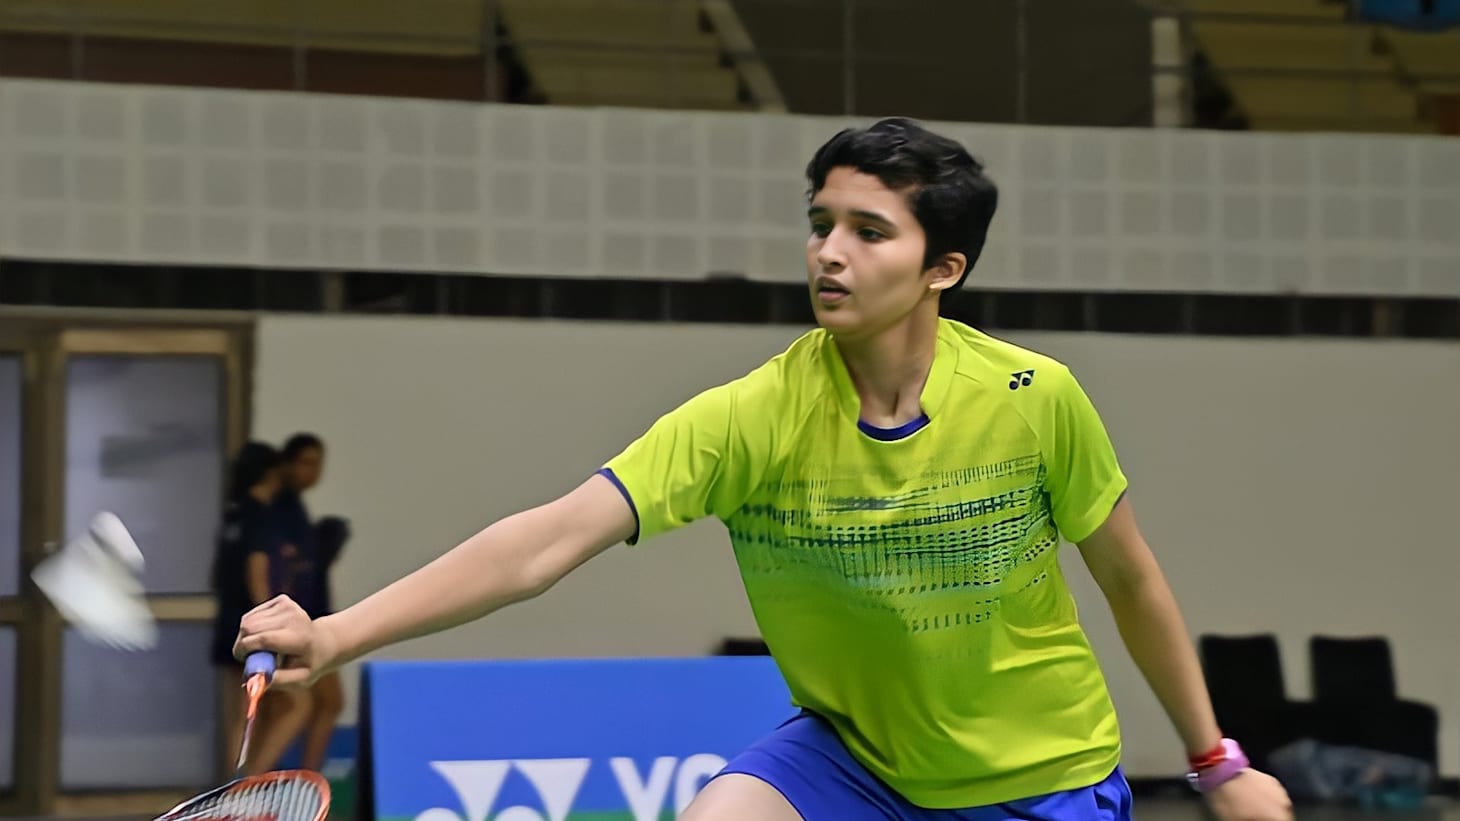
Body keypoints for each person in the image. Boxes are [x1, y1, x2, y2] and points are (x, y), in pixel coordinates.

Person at [235, 118, 1294, 821]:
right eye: (821, 224)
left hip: (1037, 777)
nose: (829, 251)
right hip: (853, 759)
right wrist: (336, 635)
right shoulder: (754, 417)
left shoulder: (1033, 398)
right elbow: (545, 541)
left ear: (943, 267)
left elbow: (1130, 579)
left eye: (869, 232)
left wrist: (1215, 760)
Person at [245, 432, 346, 775]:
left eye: (318, 464)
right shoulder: (277, 511)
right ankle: (279, 783)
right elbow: (272, 570)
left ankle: (293, 781)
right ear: (285, 464)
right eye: (305, 462)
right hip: (296, 623)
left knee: (306, 705)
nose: (313, 471)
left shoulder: (295, 509)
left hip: (307, 617)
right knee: (309, 704)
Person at [209, 440, 285, 779]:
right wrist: (271, 625)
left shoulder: (234, 514)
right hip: (252, 629)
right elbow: (257, 575)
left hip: (228, 624)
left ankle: (238, 788)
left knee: (240, 716)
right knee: (270, 709)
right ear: (271, 474)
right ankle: (245, 790)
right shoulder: (260, 516)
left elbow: (217, 575)